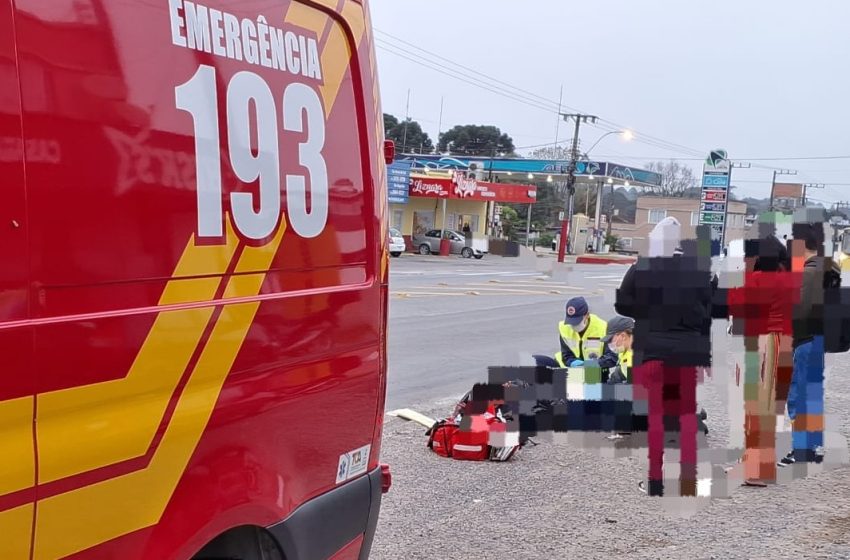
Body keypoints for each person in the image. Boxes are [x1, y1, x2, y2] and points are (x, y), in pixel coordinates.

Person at [615, 218, 717, 497]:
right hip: (686, 351)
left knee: (657, 418)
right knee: (685, 416)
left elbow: (622, 302)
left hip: (652, 350)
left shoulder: (643, 265)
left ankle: (655, 481)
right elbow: (714, 305)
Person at [723, 229, 798, 487]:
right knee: (769, 409)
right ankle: (759, 464)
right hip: (783, 344)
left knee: (754, 408)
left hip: (760, 343)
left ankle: (754, 469)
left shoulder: (757, 279)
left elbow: (733, 303)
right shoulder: (789, 279)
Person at [782, 215, 841, 466]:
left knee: (799, 395)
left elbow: (800, 311)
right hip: (821, 338)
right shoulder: (830, 268)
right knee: (813, 393)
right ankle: (814, 446)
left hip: (805, 339)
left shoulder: (809, 272)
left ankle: (801, 449)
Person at [555, 296, 618, 374]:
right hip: (575, 370)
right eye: (571, 322)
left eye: (577, 322)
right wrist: (572, 362)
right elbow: (566, 355)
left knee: (591, 383)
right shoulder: (564, 329)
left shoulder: (603, 329)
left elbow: (612, 357)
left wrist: (591, 365)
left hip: (596, 371)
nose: (574, 325)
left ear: (587, 315)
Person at [601, 315, 635, 384]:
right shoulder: (624, 350)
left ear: (623, 336)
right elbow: (621, 372)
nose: (610, 343)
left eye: (611, 340)